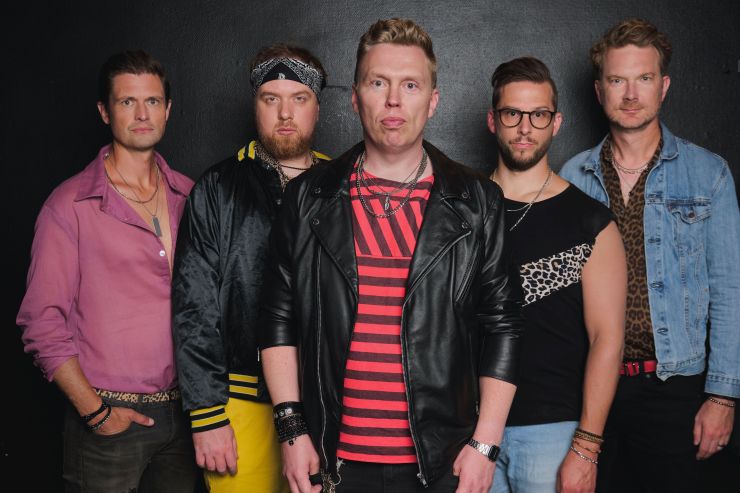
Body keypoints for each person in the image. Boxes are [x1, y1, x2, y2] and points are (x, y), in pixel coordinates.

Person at [259, 18, 523, 493]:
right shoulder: (308, 197)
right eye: (378, 83)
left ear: (433, 100)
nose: (394, 100)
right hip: (334, 458)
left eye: (410, 85)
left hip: (442, 463)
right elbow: (278, 317)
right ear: (355, 97)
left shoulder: (477, 200)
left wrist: (485, 445)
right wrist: (292, 431)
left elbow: (503, 325)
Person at [560, 18, 740, 492]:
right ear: (599, 91)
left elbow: (730, 289)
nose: (630, 94)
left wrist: (723, 396)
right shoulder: (571, 177)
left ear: (664, 86)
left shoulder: (709, 174)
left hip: (675, 389)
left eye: (643, 78)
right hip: (590, 389)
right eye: (617, 80)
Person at [16, 50, 196, 492]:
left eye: (152, 101)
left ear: (168, 110)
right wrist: (95, 412)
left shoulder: (191, 197)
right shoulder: (69, 205)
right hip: (107, 419)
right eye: (127, 101)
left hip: (185, 416)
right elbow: (41, 322)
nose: (142, 114)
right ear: (104, 111)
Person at [171, 44, 329, 493]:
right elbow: (194, 304)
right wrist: (206, 414)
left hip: (326, 403)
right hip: (239, 402)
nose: (285, 113)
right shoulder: (219, 186)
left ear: (317, 108)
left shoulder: (342, 184)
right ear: (255, 106)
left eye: (299, 98)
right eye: (270, 99)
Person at [485, 57, 626, 493]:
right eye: (512, 113)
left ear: (556, 123)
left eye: (539, 115)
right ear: (493, 120)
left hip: (553, 432)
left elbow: (607, 339)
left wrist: (586, 447)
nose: (525, 127)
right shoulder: (464, 209)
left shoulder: (591, 221)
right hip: (472, 429)